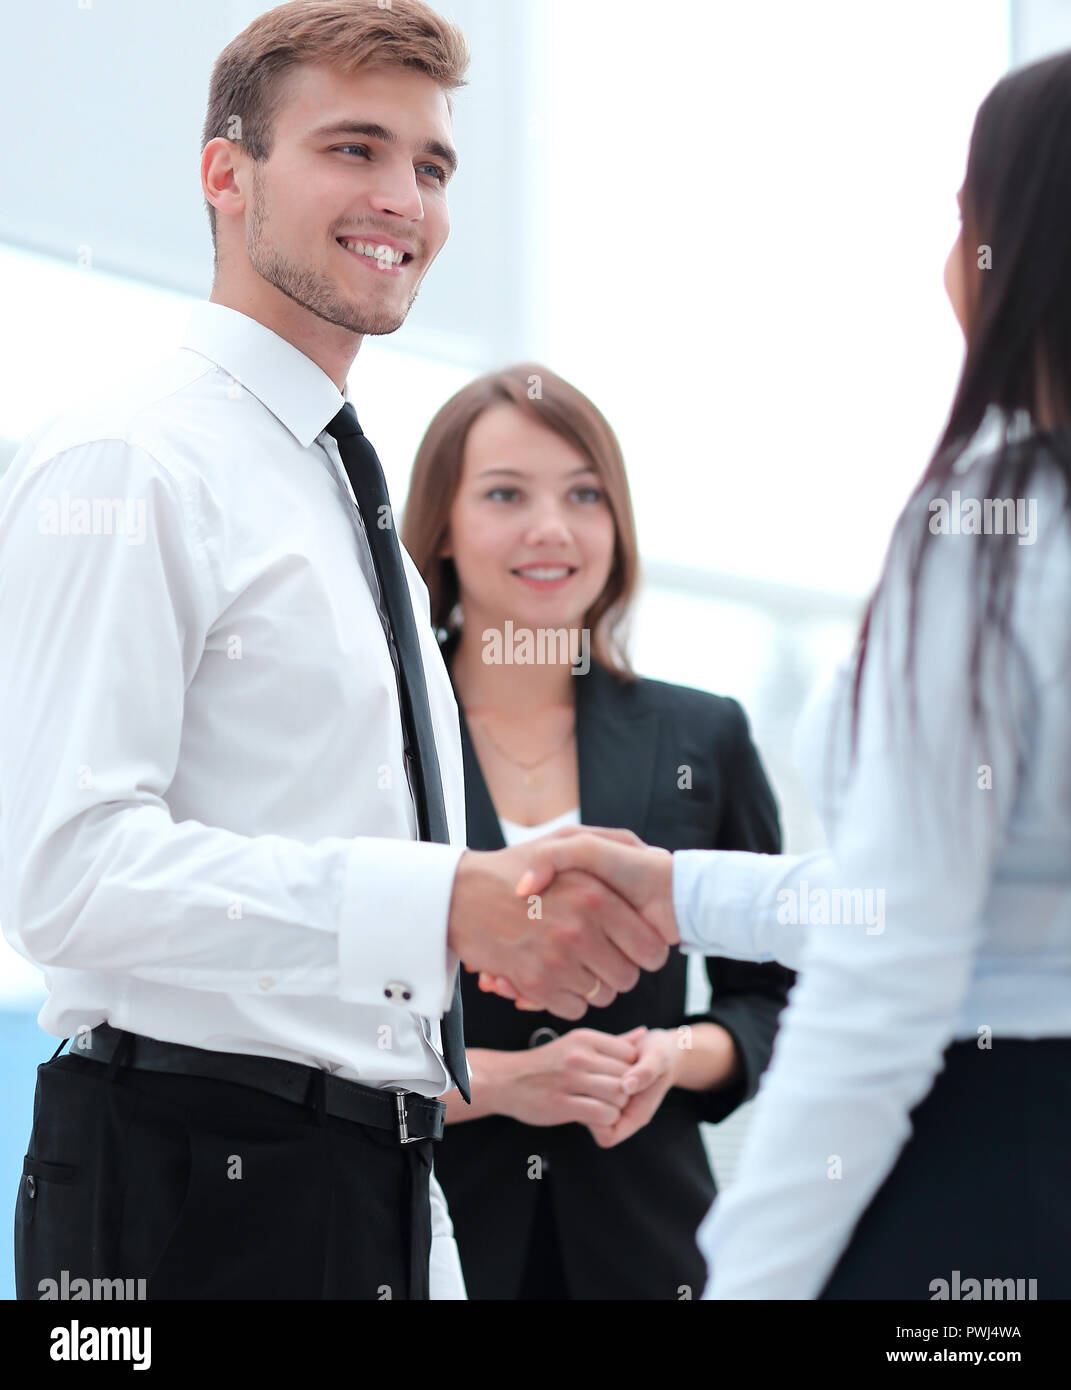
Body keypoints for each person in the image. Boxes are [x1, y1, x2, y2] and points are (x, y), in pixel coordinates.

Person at [0, 0, 672, 1303]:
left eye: (429, 164)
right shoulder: (129, 457)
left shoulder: (335, 497)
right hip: (186, 1180)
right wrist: (429, 902)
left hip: (366, 1182)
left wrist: (493, 897)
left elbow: (314, 846)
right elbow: (63, 875)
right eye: (353, 149)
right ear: (224, 173)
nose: (402, 198)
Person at [486, 49, 1071, 1299]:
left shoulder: (989, 539)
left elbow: (896, 959)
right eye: (505, 494)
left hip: (996, 1164)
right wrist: (683, 887)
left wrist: (749, 1278)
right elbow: (953, 893)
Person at [400, 363, 795, 1299]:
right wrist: (496, 1081)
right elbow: (301, 1021)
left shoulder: (705, 734)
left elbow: (785, 997)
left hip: (650, 1245)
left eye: (584, 495)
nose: (552, 528)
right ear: (443, 528)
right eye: (505, 494)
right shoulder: (374, 741)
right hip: (428, 1242)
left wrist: (673, 1056)